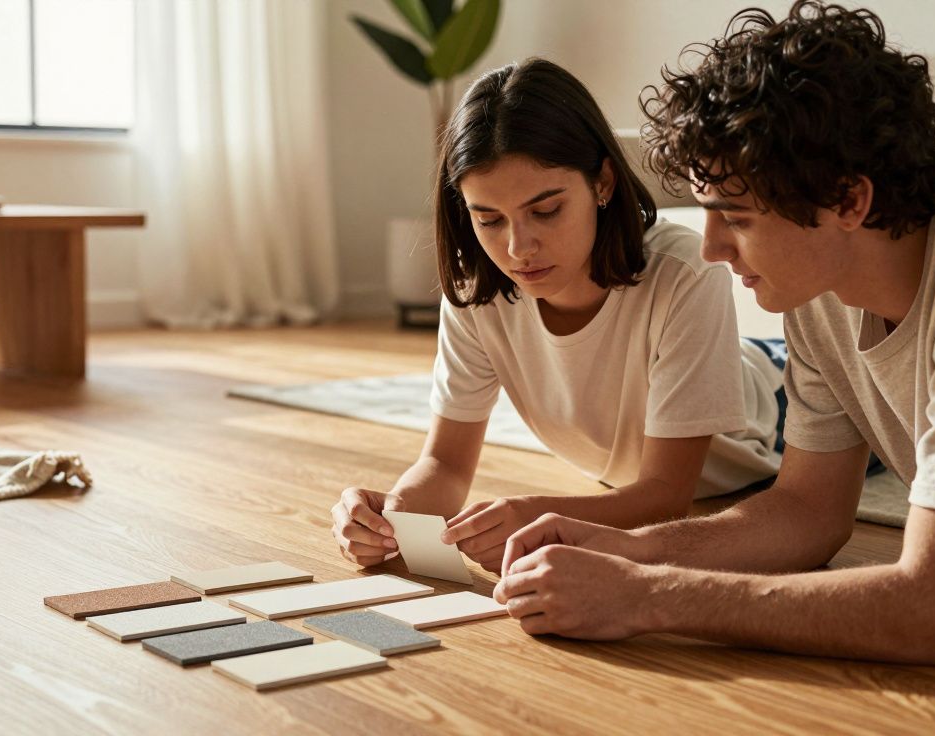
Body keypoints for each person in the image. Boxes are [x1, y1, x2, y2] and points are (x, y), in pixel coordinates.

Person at [493, 0, 935, 665]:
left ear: (848, 200)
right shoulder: (819, 284)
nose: (711, 248)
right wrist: (631, 547)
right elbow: (807, 510)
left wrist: (647, 594)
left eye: (736, 217)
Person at [331, 58, 785, 574]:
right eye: (489, 219)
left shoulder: (683, 273)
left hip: (778, 407)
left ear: (604, 182)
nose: (519, 247)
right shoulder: (475, 292)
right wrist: (392, 515)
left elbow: (666, 496)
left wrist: (535, 512)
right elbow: (446, 464)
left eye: (545, 211)